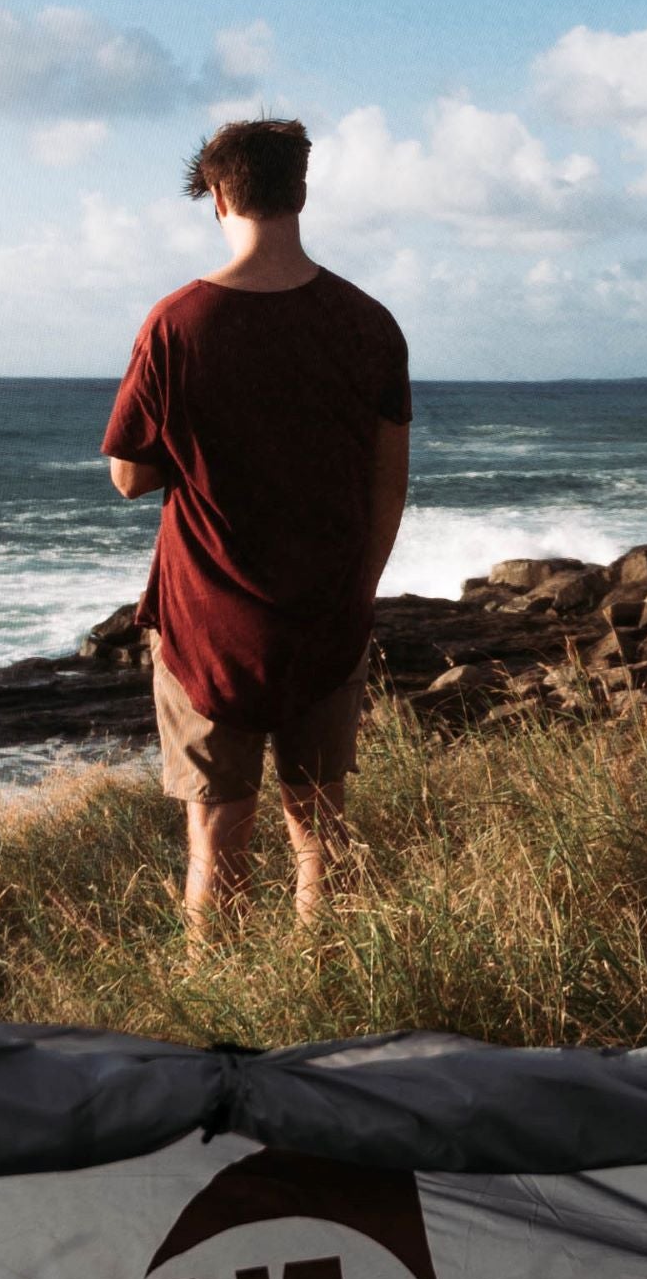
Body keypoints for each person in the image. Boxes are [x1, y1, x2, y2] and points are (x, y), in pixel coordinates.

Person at [100, 117, 413, 928]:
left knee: (215, 841)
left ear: (218, 198)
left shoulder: (176, 324)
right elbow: (389, 487)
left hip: (207, 624)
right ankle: (325, 1009)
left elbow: (129, 477)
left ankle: (217, 1042)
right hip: (327, 616)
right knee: (323, 836)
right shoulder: (369, 323)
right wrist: (357, 590)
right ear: (301, 193)